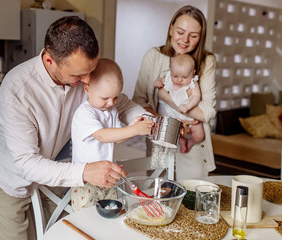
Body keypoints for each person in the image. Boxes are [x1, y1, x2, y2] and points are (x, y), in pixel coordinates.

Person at [0, 16, 146, 240]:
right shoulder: (17, 89)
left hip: (54, 170)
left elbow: (123, 104)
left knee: (58, 235)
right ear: (50, 61)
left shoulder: (85, 74)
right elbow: (27, 163)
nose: (88, 80)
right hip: (9, 174)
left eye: (92, 69)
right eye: (78, 75)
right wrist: (85, 171)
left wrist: (146, 120)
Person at [133, 5, 217, 180]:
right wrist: (165, 122)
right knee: (160, 190)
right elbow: (138, 102)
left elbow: (207, 112)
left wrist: (165, 96)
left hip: (192, 138)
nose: (185, 40)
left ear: (200, 38)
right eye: (180, 32)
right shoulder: (154, 56)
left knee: (192, 192)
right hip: (160, 137)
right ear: (171, 29)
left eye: (193, 36)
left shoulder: (206, 61)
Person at [70, 58, 153, 211]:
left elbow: (118, 138)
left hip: (108, 177)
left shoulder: (110, 110)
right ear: (87, 89)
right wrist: (133, 130)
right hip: (86, 180)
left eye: (115, 97)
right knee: (85, 217)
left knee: (112, 212)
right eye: (105, 98)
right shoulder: (84, 113)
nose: (111, 103)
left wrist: (133, 126)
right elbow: (102, 135)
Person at [156, 54, 204, 153]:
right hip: (172, 113)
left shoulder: (193, 83)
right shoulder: (168, 78)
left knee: (200, 136)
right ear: (171, 72)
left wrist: (187, 106)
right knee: (170, 134)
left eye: (184, 77)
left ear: (192, 73)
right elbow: (159, 81)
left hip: (188, 113)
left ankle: (190, 142)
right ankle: (181, 141)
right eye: (175, 76)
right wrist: (158, 82)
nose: (179, 80)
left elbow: (197, 97)